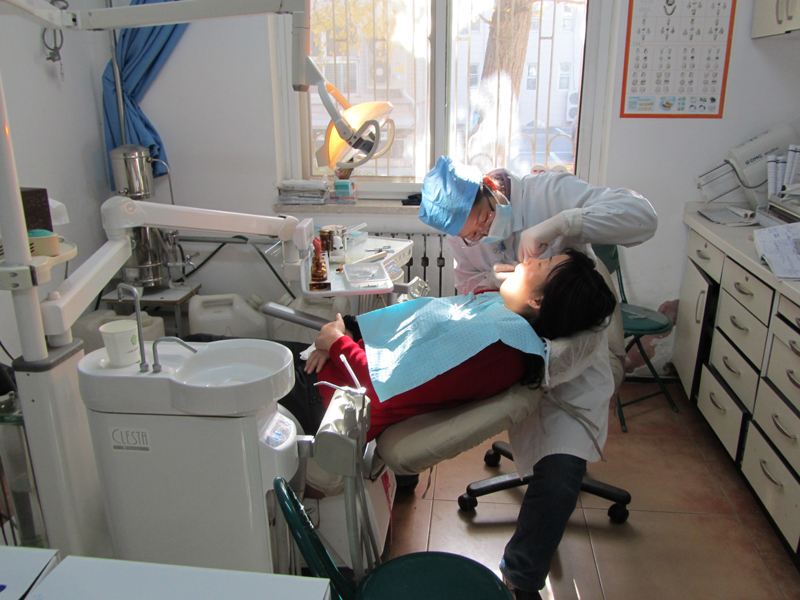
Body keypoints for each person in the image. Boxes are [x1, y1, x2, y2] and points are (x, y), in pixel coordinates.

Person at [418, 156, 658, 600]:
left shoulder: (547, 194)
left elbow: (643, 218)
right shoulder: (462, 235)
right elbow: (469, 284)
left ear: (490, 187)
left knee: (562, 467)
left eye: (482, 220)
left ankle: (522, 577)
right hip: (520, 349)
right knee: (522, 425)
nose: (481, 236)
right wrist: (494, 285)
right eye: (470, 235)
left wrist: (561, 224)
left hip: (576, 349)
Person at [277, 249, 616, 446]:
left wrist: (336, 341)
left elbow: (382, 386)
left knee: (244, 362)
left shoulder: (495, 349)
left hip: (330, 401)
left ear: (537, 301)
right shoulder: (497, 313)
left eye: (541, 265)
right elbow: (407, 334)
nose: (529, 260)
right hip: (331, 369)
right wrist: (346, 331)